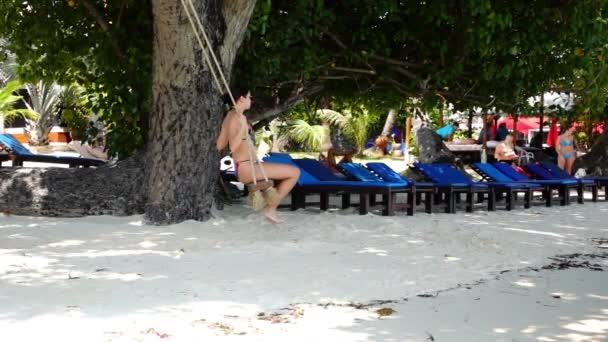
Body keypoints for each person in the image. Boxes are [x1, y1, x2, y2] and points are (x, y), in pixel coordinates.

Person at [216, 87, 300, 223]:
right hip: (246, 167)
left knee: (291, 172)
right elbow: (232, 147)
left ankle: (270, 208)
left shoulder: (230, 116)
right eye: (249, 97)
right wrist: (242, 129)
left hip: (245, 166)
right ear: (242, 99)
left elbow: (219, 145)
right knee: (294, 172)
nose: (251, 100)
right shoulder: (236, 118)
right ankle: (270, 209)